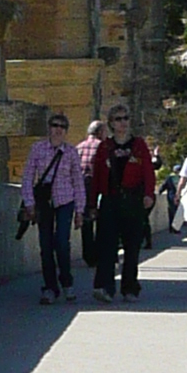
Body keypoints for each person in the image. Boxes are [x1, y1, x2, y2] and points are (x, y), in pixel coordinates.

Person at [89, 100, 156, 301]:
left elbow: (148, 172)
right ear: (111, 123)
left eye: (125, 118)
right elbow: (97, 176)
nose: (123, 123)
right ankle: (104, 287)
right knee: (107, 245)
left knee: (132, 246)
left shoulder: (138, 145)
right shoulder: (104, 147)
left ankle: (130, 287)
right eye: (118, 119)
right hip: (110, 199)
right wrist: (92, 204)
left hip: (133, 199)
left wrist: (149, 194)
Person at [19, 110, 84, 308]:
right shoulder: (38, 149)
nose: (58, 130)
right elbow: (28, 176)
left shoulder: (71, 152)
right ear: (49, 128)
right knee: (46, 245)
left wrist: (80, 210)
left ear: (66, 131)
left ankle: (67, 281)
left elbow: (78, 181)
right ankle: (50, 287)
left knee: (62, 243)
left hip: (65, 201)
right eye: (55, 126)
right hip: (44, 203)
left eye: (62, 127)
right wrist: (29, 203)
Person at [78, 116, 104, 273]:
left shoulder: (79, 147)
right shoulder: (103, 146)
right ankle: (100, 254)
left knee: (86, 224)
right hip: (97, 188)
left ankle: (89, 256)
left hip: (81, 189)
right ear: (100, 132)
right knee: (103, 223)